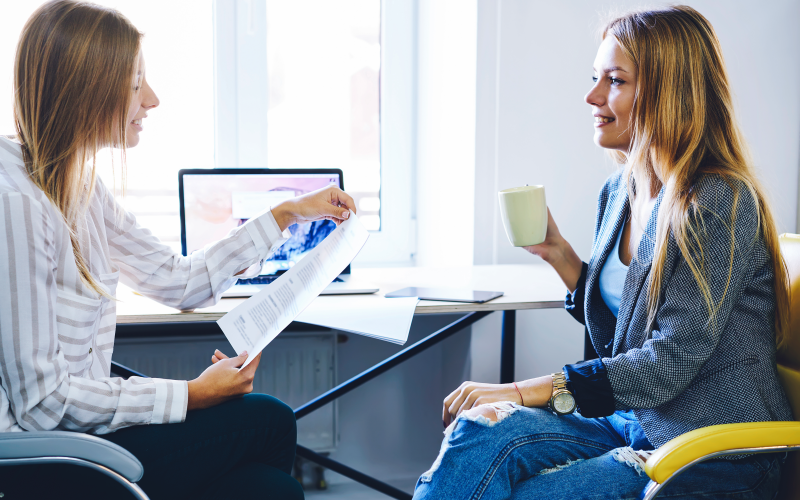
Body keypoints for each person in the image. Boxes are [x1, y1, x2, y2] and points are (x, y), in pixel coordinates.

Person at [413, 6, 792, 500]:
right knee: (478, 432)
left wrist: (523, 390)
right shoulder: (619, 193)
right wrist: (559, 254)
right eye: (596, 77)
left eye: (615, 80)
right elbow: (624, 341)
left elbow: (668, 362)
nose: (592, 97)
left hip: (709, 445)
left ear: (669, 90)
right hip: (638, 422)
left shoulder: (720, 201)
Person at [0, 1, 357, 498]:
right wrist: (191, 395)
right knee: (270, 423)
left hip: (85, 437)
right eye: (134, 85)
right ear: (85, 93)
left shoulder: (78, 185)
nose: (152, 99)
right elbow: (43, 405)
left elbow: (180, 280)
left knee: (271, 487)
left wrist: (287, 214)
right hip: (54, 459)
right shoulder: (15, 203)